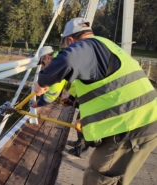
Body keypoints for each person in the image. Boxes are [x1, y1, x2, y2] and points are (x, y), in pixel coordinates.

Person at [34, 17, 157, 185]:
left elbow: (68, 60)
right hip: (138, 120)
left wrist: (41, 81)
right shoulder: (104, 44)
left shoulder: (87, 46)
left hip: (131, 126)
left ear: (70, 40)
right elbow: (102, 89)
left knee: (98, 178)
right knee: (113, 178)